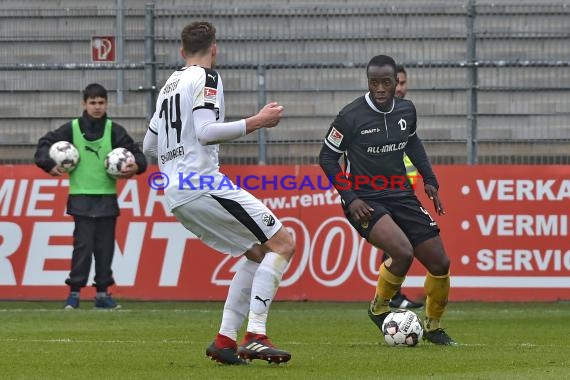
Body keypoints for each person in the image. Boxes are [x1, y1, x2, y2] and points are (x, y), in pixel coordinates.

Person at [142, 21, 295, 365]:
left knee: (258, 253)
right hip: (202, 183)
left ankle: (225, 340)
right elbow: (207, 132)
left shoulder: (168, 85)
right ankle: (255, 335)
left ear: (182, 52)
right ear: (214, 48)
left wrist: (176, 155)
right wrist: (258, 120)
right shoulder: (206, 78)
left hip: (175, 192)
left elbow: (149, 145)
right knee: (283, 243)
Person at [318, 55, 457, 345]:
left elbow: (413, 142)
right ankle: (379, 307)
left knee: (440, 262)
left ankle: (433, 327)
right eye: (374, 83)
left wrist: (429, 179)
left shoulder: (406, 110)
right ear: (368, 82)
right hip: (365, 198)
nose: (380, 88)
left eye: (386, 82)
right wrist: (350, 197)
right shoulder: (351, 116)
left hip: (401, 194)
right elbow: (328, 157)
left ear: (397, 83)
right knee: (402, 252)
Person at [34, 83, 148, 310]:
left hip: (107, 198)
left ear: (106, 104)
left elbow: (138, 155)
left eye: (101, 102)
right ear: (84, 104)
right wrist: (49, 165)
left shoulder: (114, 130)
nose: (97, 107)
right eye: (93, 102)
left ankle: (102, 294)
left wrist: (136, 166)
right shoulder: (72, 129)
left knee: (105, 248)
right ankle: (74, 293)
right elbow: (43, 145)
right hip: (80, 199)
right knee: (83, 247)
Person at [384, 64, 424, 310]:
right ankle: (390, 297)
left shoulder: (406, 114)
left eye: (403, 83)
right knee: (396, 247)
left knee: (396, 247)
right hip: (382, 194)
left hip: (403, 194)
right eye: (396, 82)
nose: (400, 88)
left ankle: (392, 295)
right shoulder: (375, 115)